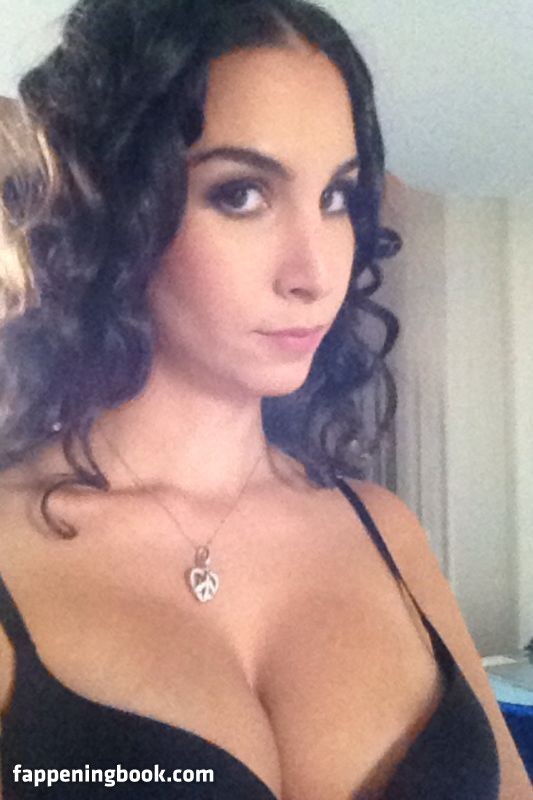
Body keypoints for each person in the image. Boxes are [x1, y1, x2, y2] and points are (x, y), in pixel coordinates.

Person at [0, 0, 530, 797]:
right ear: (113, 205)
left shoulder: (385, 529)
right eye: (241, 194)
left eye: (337, 198)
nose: (314, 273)